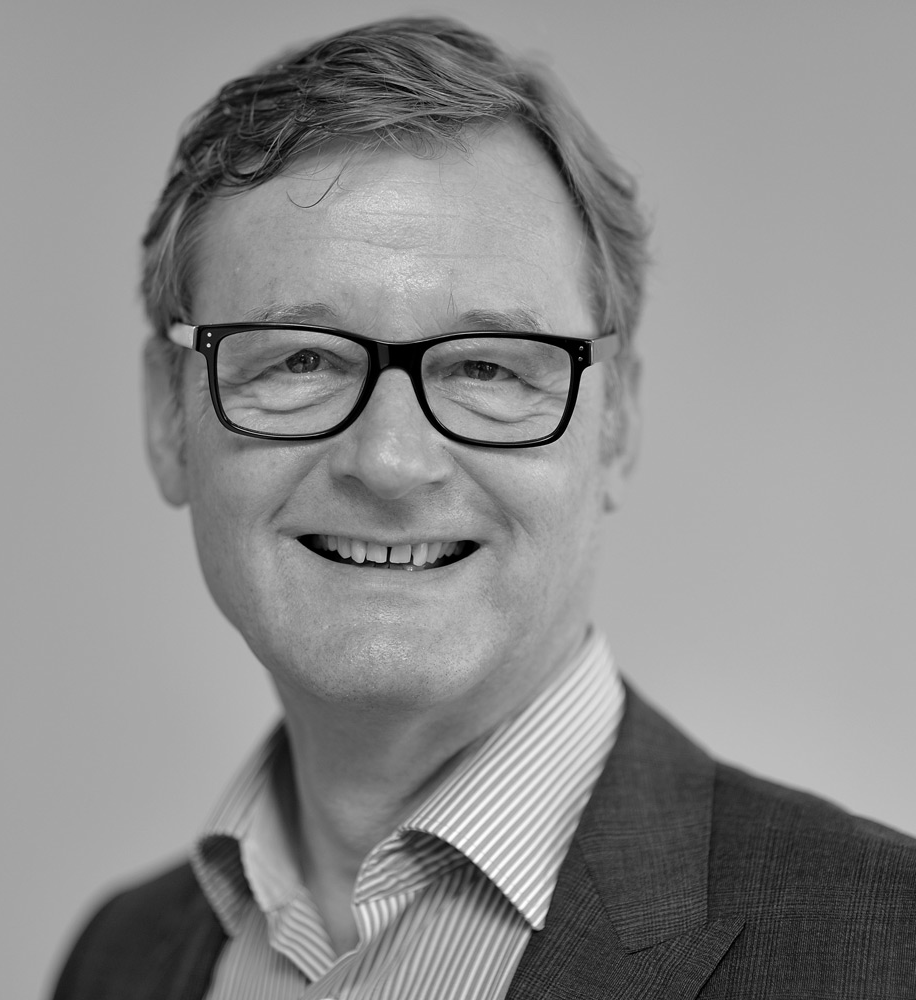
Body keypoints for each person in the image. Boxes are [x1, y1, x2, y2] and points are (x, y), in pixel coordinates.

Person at [51, 17, 916, 999]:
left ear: (616, 421)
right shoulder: (116, 959)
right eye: (300, 359)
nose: (390, 460)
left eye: (486, 368)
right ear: (170, 416)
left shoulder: (886, 954)